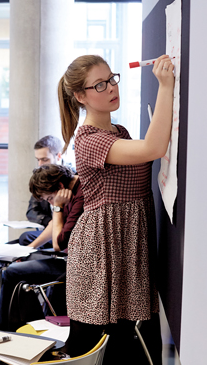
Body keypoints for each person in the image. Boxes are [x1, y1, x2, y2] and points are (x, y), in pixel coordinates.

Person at [58, 54, 173, 363]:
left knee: (129, 346)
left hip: (125, 244)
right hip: (102, 252)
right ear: (81, 96)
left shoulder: (118, 132)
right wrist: (165, 86)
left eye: (111, 79)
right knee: (99, 348)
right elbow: (153, 148)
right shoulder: (88, 140)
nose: (111, 88)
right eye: (100, 84)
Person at [0, 164, 84, 331]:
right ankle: (30, 326)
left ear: (59, 187)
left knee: (11, 273)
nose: (50, 203)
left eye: (49, 199)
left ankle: (8, 333)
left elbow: (58, 245)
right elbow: (54, 225)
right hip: (68, 258)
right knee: (21, 256)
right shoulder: (71, 191)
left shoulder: (79, 197)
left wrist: (57, 207)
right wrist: (28, 248)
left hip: (73, 264)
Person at [20, 135, 66, 248]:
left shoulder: (69, 179)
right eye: (38, 160)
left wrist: (56, 221)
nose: (40, 164)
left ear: (58, 156)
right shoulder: (41, 178)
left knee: (25, 238)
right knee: (11, 245)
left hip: (64, 231)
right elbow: (31, 211)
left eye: (45, 159)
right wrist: (51, 221)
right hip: (50, 227)